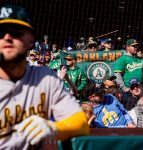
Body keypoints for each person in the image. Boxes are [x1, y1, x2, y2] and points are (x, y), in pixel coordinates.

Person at [0, 5, 89, 149]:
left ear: (31, 40)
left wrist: (54, 128)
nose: (7, 37)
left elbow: (81, 124)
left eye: (16, 32)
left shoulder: (45, 77)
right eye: (1, 32)